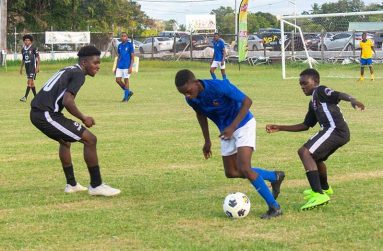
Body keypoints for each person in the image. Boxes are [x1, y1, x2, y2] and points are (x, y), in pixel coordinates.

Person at [175, 69, 284, 219]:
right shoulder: (191, 99)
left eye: (188, 91)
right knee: (231, 172)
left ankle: (274, 207)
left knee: (245, 167)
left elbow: (247, 101)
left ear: (196, 82)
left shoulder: (219, 87)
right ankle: (274, 176)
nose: (187, 96)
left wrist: (233, 127)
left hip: (243, 123)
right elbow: (200, 114)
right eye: (183, 94)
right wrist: (207, 140)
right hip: (226, 131)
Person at [266, 68, 365, 211]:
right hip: (334, 131)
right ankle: (324, 188)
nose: (302, 87)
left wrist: (353, 99)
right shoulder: (313, 102)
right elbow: (306, 125)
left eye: (305, 83)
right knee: (315, 158)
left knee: (304, 152)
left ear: (316, 82)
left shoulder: (320, 90)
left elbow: (338, 94)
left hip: (335, 130)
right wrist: (280, 127)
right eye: (300, 84)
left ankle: (318, 194)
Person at [30, 45, 121, 196]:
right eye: (95, 63)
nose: (98, 67)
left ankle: (72, 184)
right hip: (46, 114)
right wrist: (84, 118)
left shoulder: (68, 69)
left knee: (65, 141)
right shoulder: (79, 74)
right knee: (90, 140)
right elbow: (67, 101)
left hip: (40, 112)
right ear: (84, 62)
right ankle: (96, 185)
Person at [19, 34, 40, 102]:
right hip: (27, 68)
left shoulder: (33, 48)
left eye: (28, 40)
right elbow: (23, 59)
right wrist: (21, 68)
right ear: (24, 41)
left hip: (32, 68)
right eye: (25, 40)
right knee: (32, 84)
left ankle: (25, 97)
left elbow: (38, 58)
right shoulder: (23, 50)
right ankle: (36, 97)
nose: (27, 41)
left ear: (31, 41)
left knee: (29, 82)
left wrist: (37, 67)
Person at [115, 32, 134, 102]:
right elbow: (119, 57)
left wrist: (130, 67)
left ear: (127, 37)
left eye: (125, 36)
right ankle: (128, 92)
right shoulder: (119, 45)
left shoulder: (130, 45)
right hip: (120, 66)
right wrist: (116, 67)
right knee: (118, 80)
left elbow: (132, 57)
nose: (123, 37)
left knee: (126, 80)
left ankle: (126, 98)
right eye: (122, 36)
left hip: (127, 66)